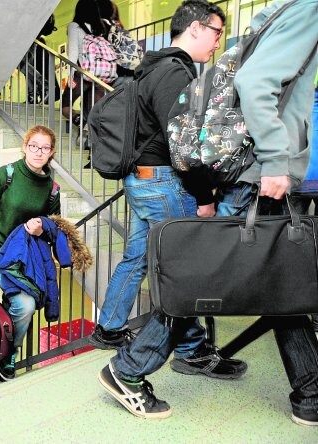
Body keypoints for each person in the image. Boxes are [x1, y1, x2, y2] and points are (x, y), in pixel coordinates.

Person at [97, 0, 248, 420]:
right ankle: (128, 372)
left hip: (145, 181)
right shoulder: (175, 72)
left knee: (143, 260)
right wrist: (204, 197)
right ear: (196, 28)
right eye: (217, 32)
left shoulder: (153, 66)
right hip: (164, 181)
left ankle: (186, 348)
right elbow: (185, 147)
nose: (218, 43)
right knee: (186, 274)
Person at [213, 0, 318, 426]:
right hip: (263, 172)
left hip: (261, 171)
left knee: (280, 279)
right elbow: (255, 81)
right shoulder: (311, 10)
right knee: (211, 269)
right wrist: (276, 160)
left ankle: (311, 392)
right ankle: (130, 367)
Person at [0, 125, 60, 381]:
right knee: (25, 303)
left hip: (24, 256)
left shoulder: (51, 188)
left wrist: (42, 227)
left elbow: (55, 226)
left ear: (51, 152)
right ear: (25, 147)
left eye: (44, 148)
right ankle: (6, 355)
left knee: (23, 303)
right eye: (34, 146)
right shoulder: (5, 175)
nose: (38, 152)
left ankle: (5, 342)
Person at [62, 0, 115, 128]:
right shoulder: (100, 28)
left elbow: (74, 52)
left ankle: (79, 121)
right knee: (94, 110)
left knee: (65, 106)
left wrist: (71, 74)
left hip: (82, 73)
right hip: (99, 76)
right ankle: (90, 135)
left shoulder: (74, 26)